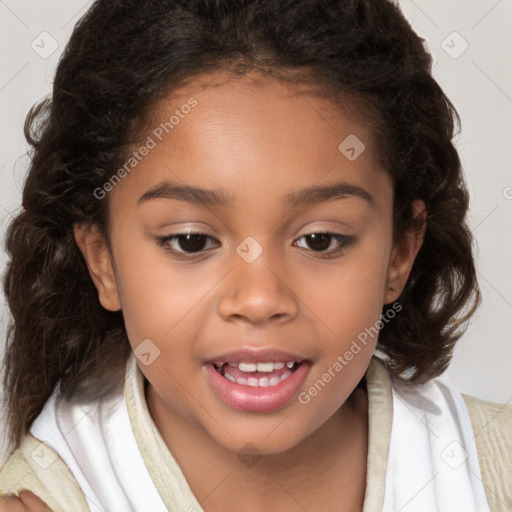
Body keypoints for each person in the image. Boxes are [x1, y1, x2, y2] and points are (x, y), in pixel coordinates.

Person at [0, 0, 510, 511]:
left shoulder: (495, 469)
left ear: (400, 253)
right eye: (191, 240)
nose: (260, 299)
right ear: (103, 260)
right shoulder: (40, 497)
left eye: (320, 240)